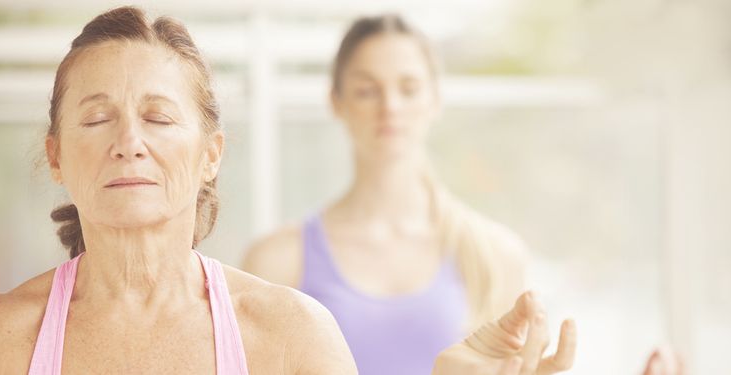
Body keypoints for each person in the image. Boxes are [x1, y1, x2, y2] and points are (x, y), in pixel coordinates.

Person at [0, 7, 575, 375]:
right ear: (55, 153)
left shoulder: (293, 335)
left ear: (211, 154)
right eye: (96, 118)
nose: (129, 141)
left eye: (159, 118)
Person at [243, 14, 575, 375]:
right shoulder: (275, 262)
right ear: (336, 102)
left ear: (434, 99)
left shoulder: (496, 256)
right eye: (367, 90)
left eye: (409, 88)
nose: (390, 107)